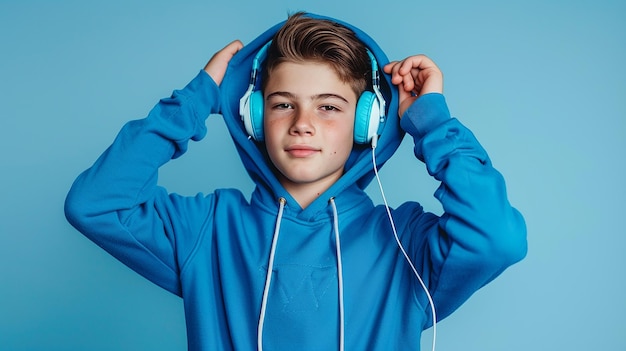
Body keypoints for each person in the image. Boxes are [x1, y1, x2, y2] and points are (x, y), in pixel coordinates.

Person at [65, 12, 527, 351]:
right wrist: (194, 101)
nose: (303, 123)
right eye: (284, 104)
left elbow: (496, 238)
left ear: (368, 123)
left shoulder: (404, 243)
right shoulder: (206, 229)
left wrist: (431, 122)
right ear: (252, 115)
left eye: (329, 106)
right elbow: (96, 204)